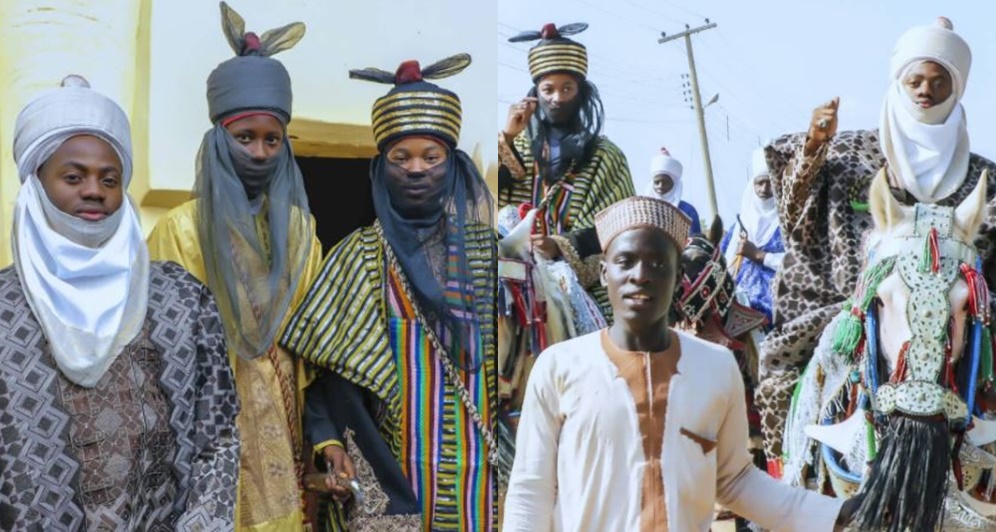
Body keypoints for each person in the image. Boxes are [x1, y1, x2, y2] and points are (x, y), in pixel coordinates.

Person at [502, 195, 859, 531]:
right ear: (604, 273)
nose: (640, 275)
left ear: (676, 278)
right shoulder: (559, 367)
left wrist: (833, 514)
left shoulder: (716, 367)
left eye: (658, 264)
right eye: (625, 262)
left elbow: (735, 480)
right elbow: (531, 489)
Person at [756, 17, 996, 475]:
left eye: (938, 81)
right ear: (898, 83)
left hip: (960, 314)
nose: (925, 90)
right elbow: (791, 216)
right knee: (777, 376)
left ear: (956, 87)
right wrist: (812, 149)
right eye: (915, 80)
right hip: (850, 304)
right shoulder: (849, 153)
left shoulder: (984, 178)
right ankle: (785, 491)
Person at [0, 76, 239, 531]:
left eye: (109, 179)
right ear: (35, 183)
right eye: (73, 177)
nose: (94, 191)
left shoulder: (181, 299)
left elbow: (219, 435)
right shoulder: (3, 307)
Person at [280, 53, 499, 531]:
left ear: (453, 165)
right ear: (381, 169)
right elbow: (327, 380)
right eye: (400, 157)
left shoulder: (493, 257)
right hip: (390, 477)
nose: (416, 168)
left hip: (485, 487)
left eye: (431, 157)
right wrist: (329, 443)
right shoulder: (357, 256)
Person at [145, 3, 323, 529]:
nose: (261, 152)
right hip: (208, 421)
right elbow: (161, 353)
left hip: (285, 414)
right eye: (245, 138)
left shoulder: (301, 231)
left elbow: (312, 339)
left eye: (273, 139)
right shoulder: (179, 229)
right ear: (219, 138)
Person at [499, 22, 634, 315]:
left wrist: (558, 245)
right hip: (510, 282)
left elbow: (619, 226)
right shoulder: (516, 149)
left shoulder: (605, 155)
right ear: (534, 93)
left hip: (585, 287)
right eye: (548, 89)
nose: (557, 98)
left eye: (567, 89)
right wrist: (507, 137)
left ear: (580, 92)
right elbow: (481, 197)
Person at [720, 148, 784, 325]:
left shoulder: (787, 224)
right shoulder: (741, 223)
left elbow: (798, 264)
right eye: (760, 183)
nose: (764, 189)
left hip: (778, 300)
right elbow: (723, 263)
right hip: (739, 297)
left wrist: (760, 256)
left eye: (770, 183)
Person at [643, 147, 701, 234]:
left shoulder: (687, 211)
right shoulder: (643, 208)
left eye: (665, 182)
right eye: (657, 182)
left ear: (675, 184)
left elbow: (694, 242)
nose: (660, 186)